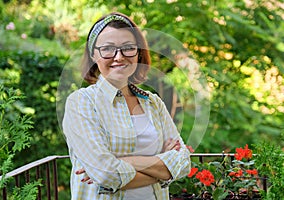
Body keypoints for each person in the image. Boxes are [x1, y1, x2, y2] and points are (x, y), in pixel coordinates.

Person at [62, 12, 191, 200]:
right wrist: (163, 167)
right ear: (93, 55)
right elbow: (107, 174)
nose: (119, 57)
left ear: (138, 52)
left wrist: (122, 162)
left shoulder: (153, 103)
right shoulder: (81, 103)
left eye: (128, 48)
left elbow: (183, 162)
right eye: (108, 49)